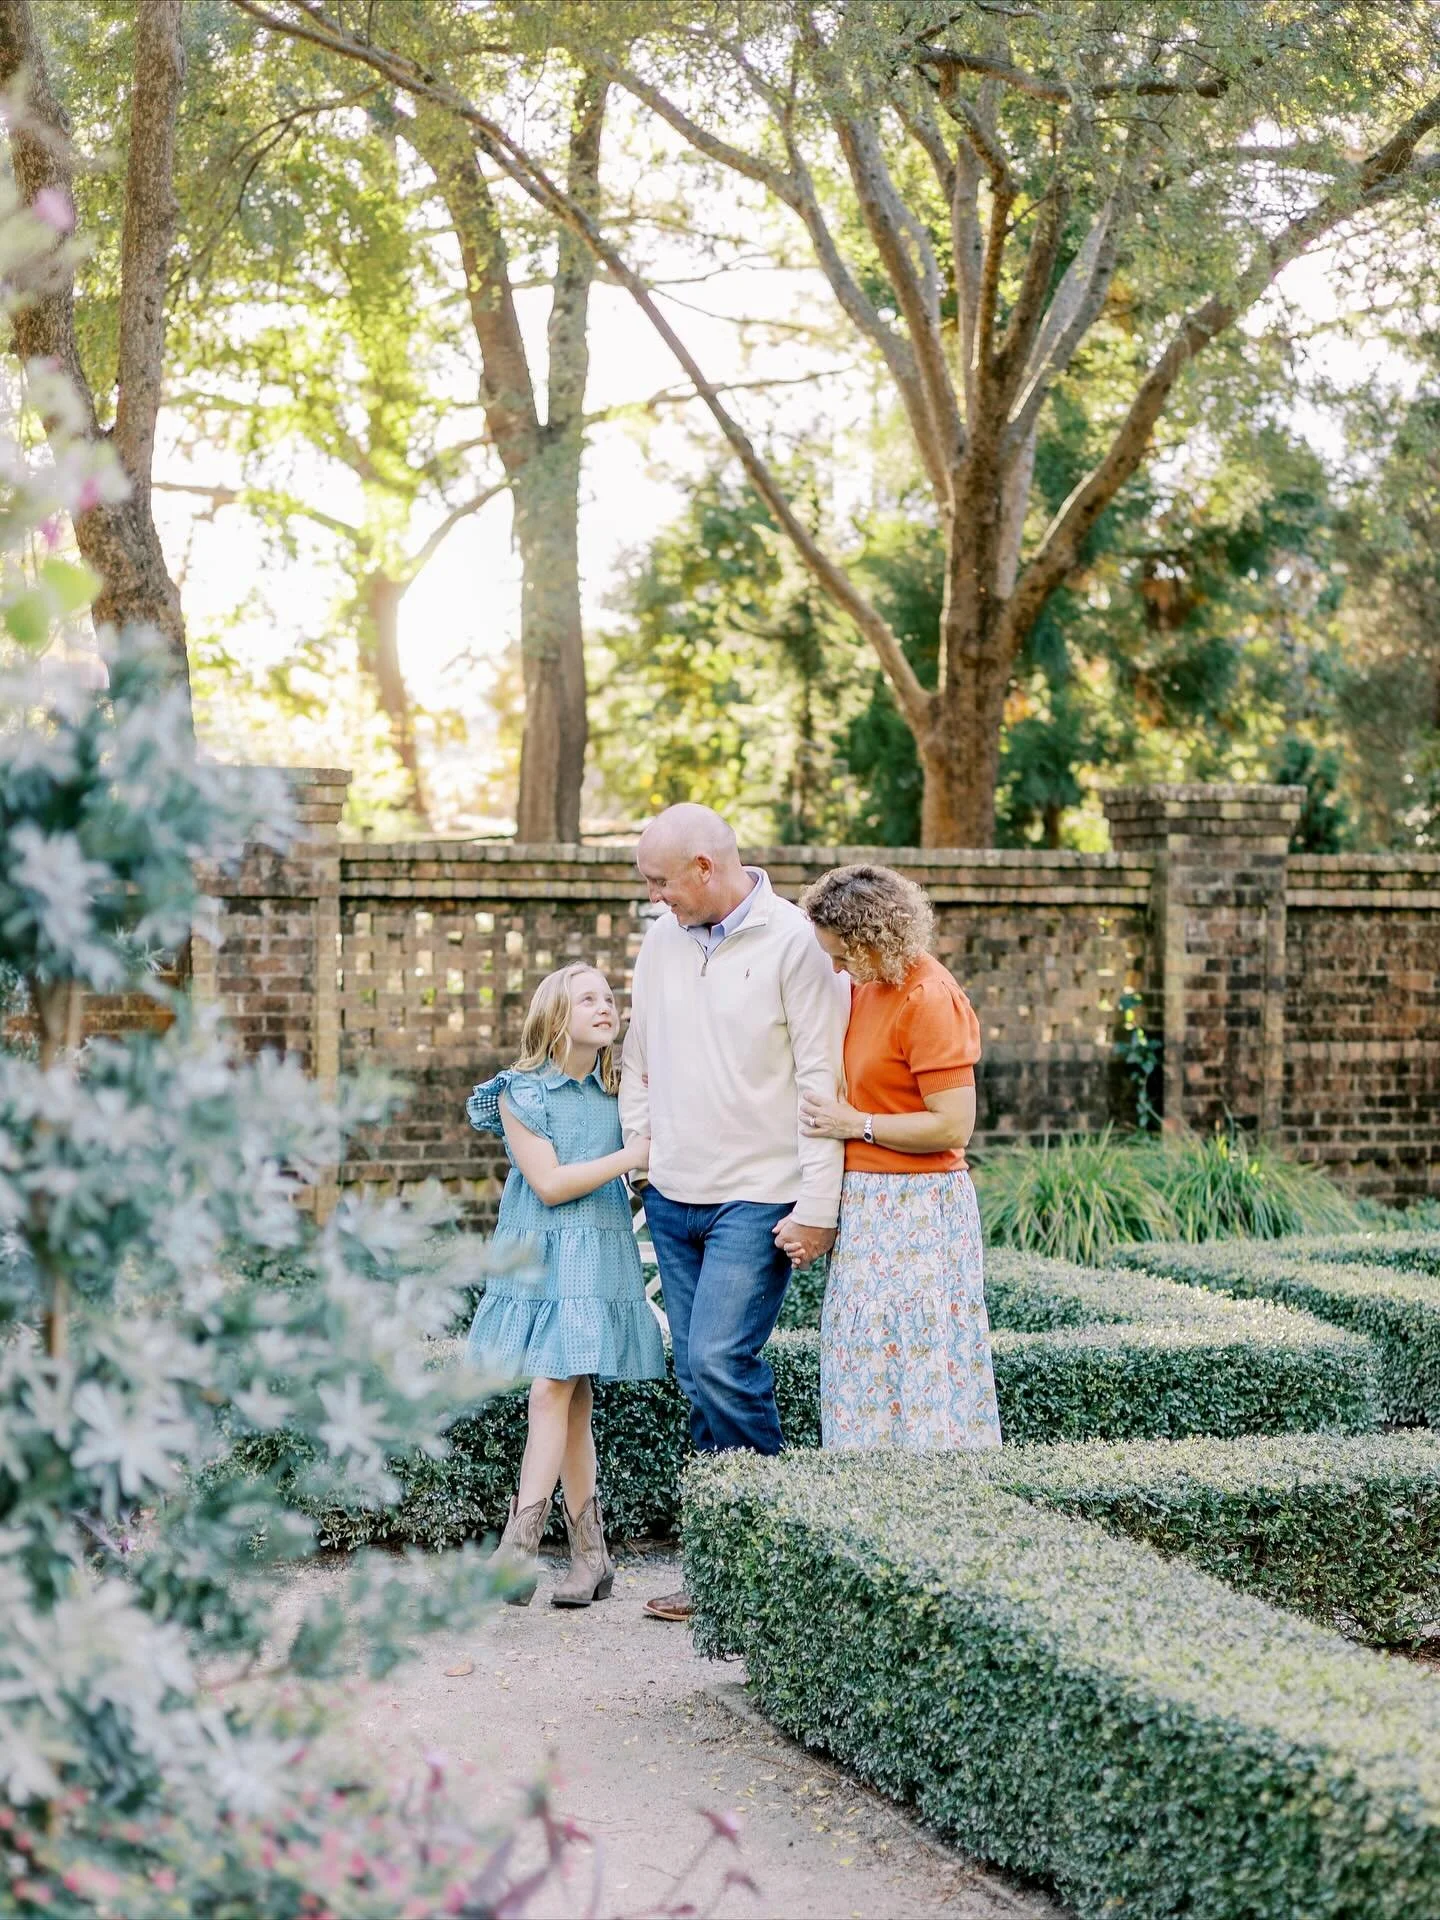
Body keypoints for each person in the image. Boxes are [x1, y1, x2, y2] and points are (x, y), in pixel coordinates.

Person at [621, 803, 848, 1621]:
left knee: (720, 1361)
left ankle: (772, 1561)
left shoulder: (794, 943)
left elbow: (824, 1082)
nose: (654, 898)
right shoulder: (660, 940)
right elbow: (638, 1057)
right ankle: (721, 1573)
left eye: (660, 882)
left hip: (759, 1194)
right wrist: (643, 1154)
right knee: (696, 1374)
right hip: (674, 1195)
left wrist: (818, 1204)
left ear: (704, 869)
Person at [466, 963, 665, 1607]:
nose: (606, 1007)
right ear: (556, 1015)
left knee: (560, 1388)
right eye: (588, 999)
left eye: (609, 998)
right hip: (545, 1257)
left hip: (599, 1256)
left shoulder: (620, 1091)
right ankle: (584, 1555)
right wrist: (631, 1157)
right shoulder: (519, 1093)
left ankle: (523, 1554)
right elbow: (549, 1186)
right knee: (564, 1395)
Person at [796, 863, 1001, 1453]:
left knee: (918, 1355)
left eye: (841, 953)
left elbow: (952, 1125)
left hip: (919, 1207)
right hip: (869, 1204)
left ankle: (933, 1495)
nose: (834, 967)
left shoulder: (929, 997)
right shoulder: (865, 985)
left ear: (872, 940)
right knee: (860, 1357)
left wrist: (854, 1123)